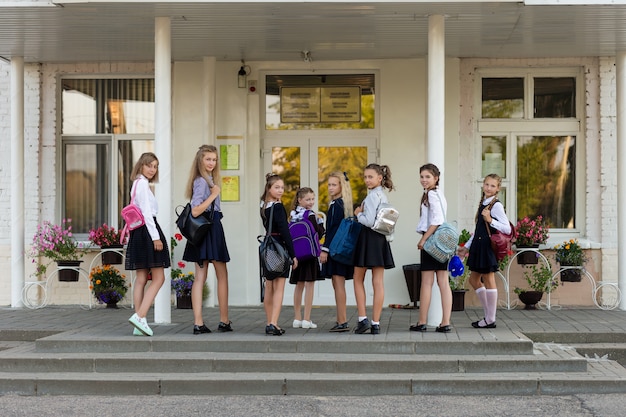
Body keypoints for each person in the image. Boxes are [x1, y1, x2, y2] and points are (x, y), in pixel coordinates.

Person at [182, 145, 232, 334]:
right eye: (208, 159)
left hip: (205, 230)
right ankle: (223, 320)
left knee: (201, 277)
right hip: (209, 228)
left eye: (214, 159)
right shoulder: (203, 182)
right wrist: (213, 195)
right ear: (200, 160)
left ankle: (199, 322)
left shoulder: (205, 179)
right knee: (220, 275)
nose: (212, 163)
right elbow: (195, 210)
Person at [458, 173, 511, 329]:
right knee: (473, 280)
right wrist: (466, 247)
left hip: (487, 246)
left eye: (493, 186)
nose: (489, 188)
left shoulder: (496, 205)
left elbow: (507, 228)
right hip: (478, 245)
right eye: (487, 184)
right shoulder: (484, 202)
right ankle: (489, 315)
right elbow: (478, 230)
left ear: (498, 189)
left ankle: (490, 318)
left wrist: (491, 220)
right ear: (483, 185)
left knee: (489, 280)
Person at [125, 152, 170, 337]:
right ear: (141, 165)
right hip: (147, 231)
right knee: (159, 278)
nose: (153, 169)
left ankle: (139, 323)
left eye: (155, 166)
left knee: (142, 279)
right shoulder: (142, 184)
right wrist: (155, 238)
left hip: (138, 233)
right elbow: (146, 213)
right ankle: (140, 316)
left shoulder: (137, 184)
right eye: (149, 165)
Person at [352, 163, 395, 335]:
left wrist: (357, 214)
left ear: (380, 178)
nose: (367, 180)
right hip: (380, 239)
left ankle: (363, 319)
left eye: (370, 177)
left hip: (368, 237)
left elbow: (368, 221)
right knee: (378, 281)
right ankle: (375, 323)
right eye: (365, 177)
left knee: (357, 278)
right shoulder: (383, 196)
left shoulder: (370, 197)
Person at [411, 163, 453, 333]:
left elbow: (436, 220)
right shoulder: (438, 194)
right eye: (422, 176)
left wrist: (423, 239)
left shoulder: (432, 196)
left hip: (432, 243)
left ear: (436, 178)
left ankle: (422, 321)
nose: (424, 179)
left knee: (427, 283)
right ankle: (445, 322)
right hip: (443, 244)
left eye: (428, 176)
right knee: (443, 282)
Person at [260, 173, 298, 336]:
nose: (281, 190)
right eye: (277, 187)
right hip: (280, 248)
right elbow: (285, 232)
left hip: (267, 249)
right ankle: (274, 323)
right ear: (269, 188)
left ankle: (269, 321)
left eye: (282, 187)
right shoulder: (278, 207)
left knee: (269, 285)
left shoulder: (263, 206)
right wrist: (293, 254)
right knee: (279, 287)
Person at [320, 171, 354, 332]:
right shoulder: (344, 205)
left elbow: (332, 230)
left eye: (334, 184)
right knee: (338, 284)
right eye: (329, 185)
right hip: (341, 249)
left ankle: (342, 320)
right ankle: (341, 319)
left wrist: (324, 249)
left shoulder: (336, 205)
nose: (330, 188)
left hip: (334, 250)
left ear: (342, 186)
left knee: (338, 284)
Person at [289, 187, 325, 329]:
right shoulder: (310, 215)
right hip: (310, 255)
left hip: (298, 255)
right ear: (300, 200)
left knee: (299, 286)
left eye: (312, 199)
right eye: (307, 199)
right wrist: (320, 222)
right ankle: (307, 319)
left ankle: (297, 318)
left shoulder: (293, 215)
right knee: (309, 286)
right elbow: (320, 233)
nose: (311, 202)